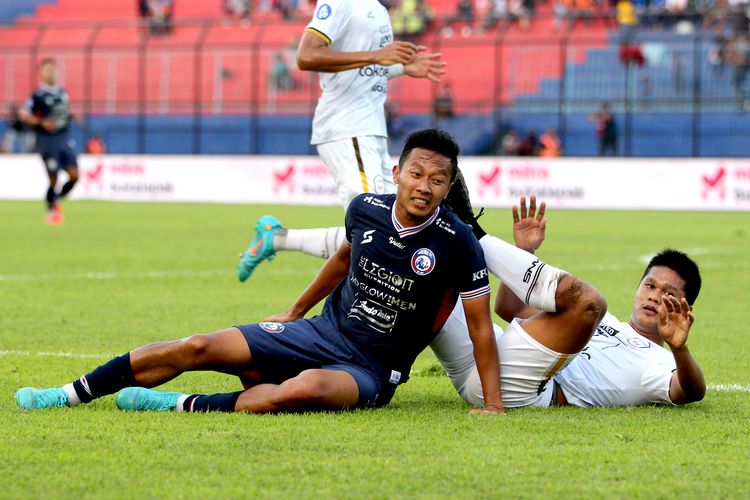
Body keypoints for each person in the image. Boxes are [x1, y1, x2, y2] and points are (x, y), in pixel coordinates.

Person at [15, 128, 504, 415]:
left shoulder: (457, 242)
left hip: (372, 370)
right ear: (398, 172)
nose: (424, 186)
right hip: (319, 333)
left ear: (448, 186)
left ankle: (178, 403)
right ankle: (65, 394)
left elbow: (481, 326)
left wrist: (494, 405)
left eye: (437, 180)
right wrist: (295, 311)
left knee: (303, 389)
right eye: (416, 174)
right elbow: (344, 258)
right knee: (197, 346)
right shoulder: (366, 209)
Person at [236, 0, 447, 282]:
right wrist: (376, 56)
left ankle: (276, 239)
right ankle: (352, 314)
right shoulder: (341, 2)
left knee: (392, 227)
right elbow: (307, 55)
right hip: (348, 128)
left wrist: (400, 67)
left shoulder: (379, 9)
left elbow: (368, 69)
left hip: (370, 132)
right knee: (382, 227)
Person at [431, 195, 706, 408]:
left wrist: (679, 349)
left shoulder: (660, 361)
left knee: (587, 302)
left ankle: (471, 233)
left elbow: (690, 392)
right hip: (484, 356)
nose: (655, 296)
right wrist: (524, 252)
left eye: (668, 294)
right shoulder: (606, 323)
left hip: (522, 389)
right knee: (429, 281)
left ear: (684, 307)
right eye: (650, 285)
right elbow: (508, 309)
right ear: (637, 289)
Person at [18, 58, 79, 225]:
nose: (50, 73)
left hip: (64, 138)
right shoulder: (38, 95)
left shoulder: (63, 93)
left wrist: (71, 115)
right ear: (41, 74)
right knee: (53, 178)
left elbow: (62, 111)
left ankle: (56, 198)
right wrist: (41, 122)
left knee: (74, 175)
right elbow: (23, 113)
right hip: (46, 141)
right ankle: (51, 209)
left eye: (53, 69)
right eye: (47, 70)